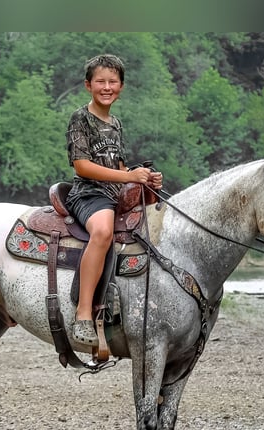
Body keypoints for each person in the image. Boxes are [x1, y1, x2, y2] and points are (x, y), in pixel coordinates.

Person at [65, 53, 162, 346]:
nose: (106, 87)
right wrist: (129, 178)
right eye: (100, 81)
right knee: (103, 231)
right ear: (88, 85)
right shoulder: (81, 118)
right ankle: (83, 314)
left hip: (114, 194)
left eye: (113, 81)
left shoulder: (116, 123)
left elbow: (118, 167)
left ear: (121, 86)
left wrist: (142, 176)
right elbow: (82, 165)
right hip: (89, 194)